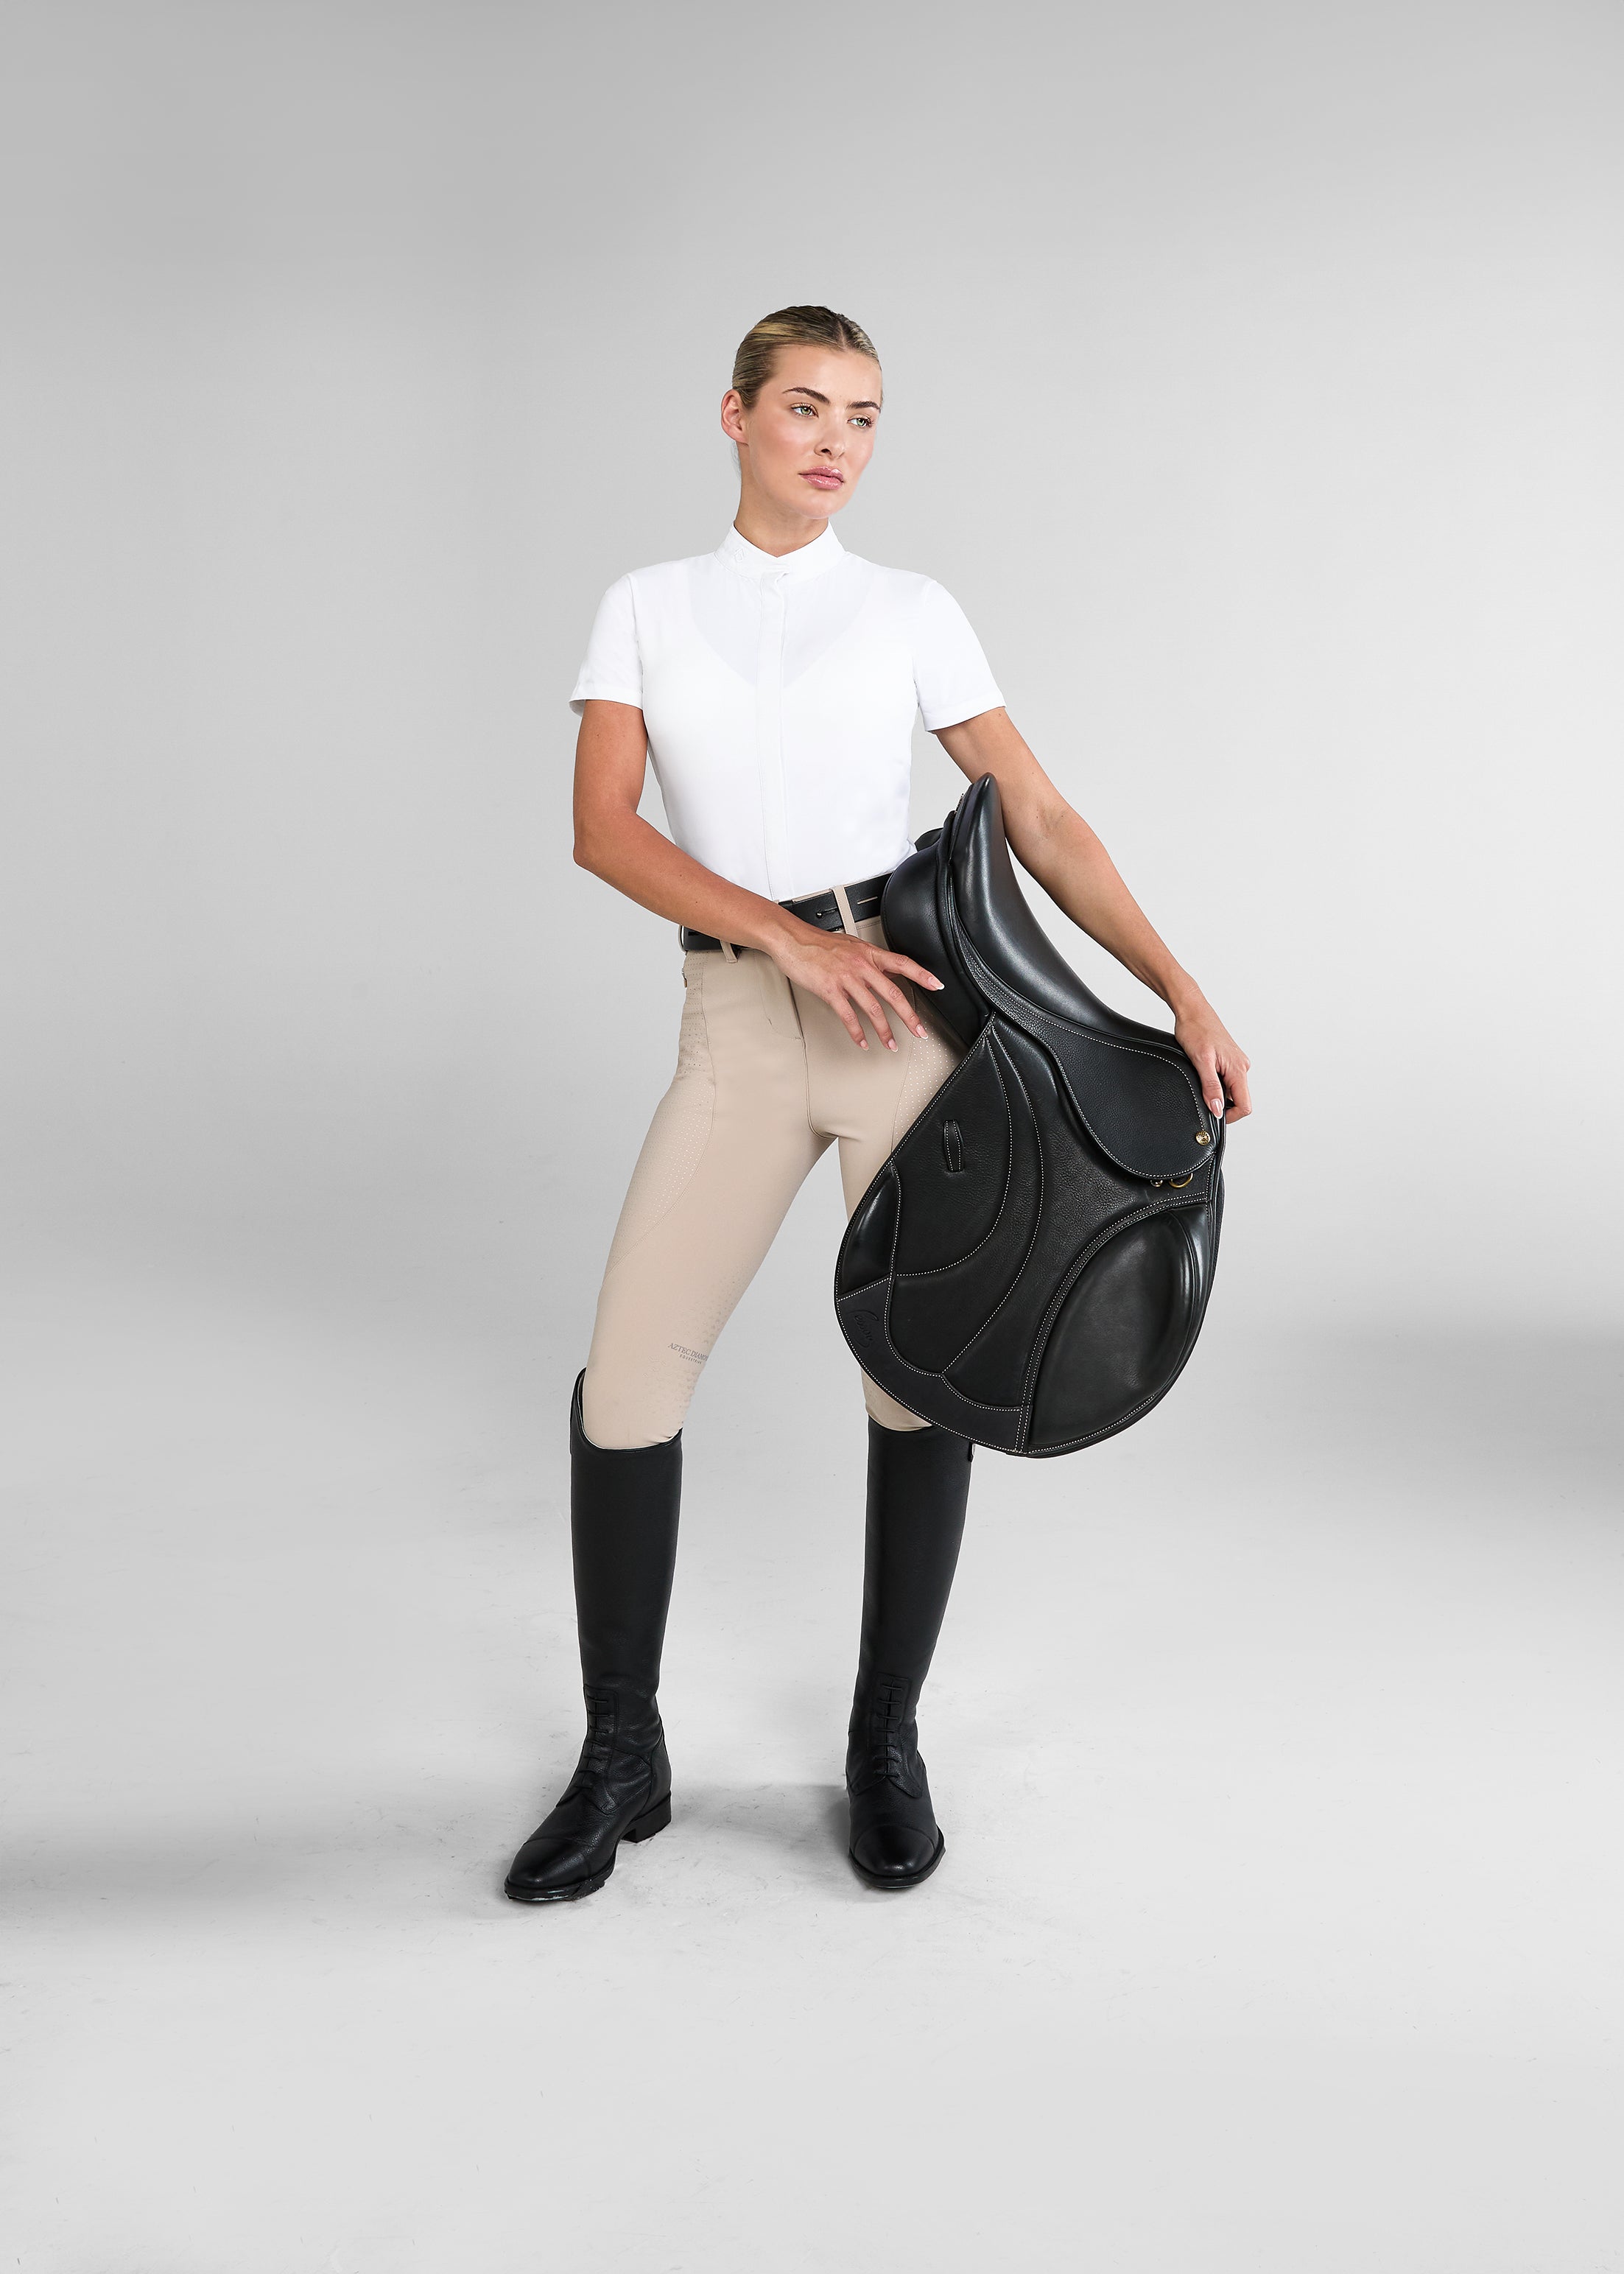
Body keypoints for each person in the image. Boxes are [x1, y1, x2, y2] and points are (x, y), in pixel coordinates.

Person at [505, 306, 1251, 1904]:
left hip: (902, 1025)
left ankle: (882, 1740)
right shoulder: (646, 606)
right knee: (627, 1381)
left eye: (861, 416)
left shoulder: (908, 609)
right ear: (734, 416)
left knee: (921, 1383)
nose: (834, 441)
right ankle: (622, 1753)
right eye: (804, 407)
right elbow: (602, 829)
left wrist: (1177, 987)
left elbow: (1034, 812)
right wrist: (785, 939)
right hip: (737, 1027)